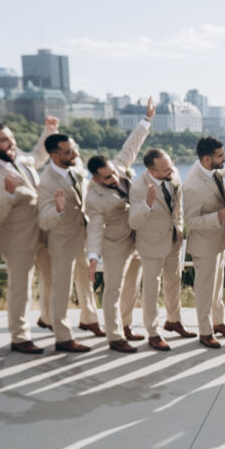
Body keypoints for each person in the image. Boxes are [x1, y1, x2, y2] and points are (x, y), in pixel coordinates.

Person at [0, 116, 57, 354]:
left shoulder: (18, 159)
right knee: (21, 289)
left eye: (11, 137)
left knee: (53, 279)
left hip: (43, 234)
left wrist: (49, 131)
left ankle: (50, 320)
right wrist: (8, 194)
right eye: (5, 140)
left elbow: (38, 156)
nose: (12, 142)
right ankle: (20, 337)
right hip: (17, 241)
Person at [84, 98, 153, 352]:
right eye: (107, 177)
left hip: (136, 239)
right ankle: (114, 337)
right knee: (113, 290)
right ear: (95, 179)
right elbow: (94, 227)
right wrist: (93, 256)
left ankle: (126, 325)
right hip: (114, 245)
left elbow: (131, 146)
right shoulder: (94, 198)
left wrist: (147, 119)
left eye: (113, 173)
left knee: (132, 286)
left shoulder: (119, 167)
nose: (114, 178)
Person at [36, 132, 99, 352]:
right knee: (61, 289)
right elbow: (43, 220)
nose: (76, 154)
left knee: (86, 280)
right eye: (69, 151)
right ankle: (63, 337)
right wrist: (58, 210)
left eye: (75, 148)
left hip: (81, 235)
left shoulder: (74, 169)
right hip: (61, 241)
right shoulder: (46, 182)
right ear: (54, 156)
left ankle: (89, 319)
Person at [182, 136, 225, 348]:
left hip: (218, 239)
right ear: (207, 159)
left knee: (217, 287)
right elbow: (191, 221)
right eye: (220, 156)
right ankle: (205, 332)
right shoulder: (192, 185)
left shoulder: (213, 171)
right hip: (204, 245)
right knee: (205, 290)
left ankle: (218, 322)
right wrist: (218, 217)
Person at [129, 147, 186, 351]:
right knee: (152, 288)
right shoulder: (138, 187)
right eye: (165, 170)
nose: (171, 171)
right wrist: (147, 204)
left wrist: (179, 226)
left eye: (171, 166)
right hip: (151, 243)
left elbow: (177, 205)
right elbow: (133, 222)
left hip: (173, 239)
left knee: (174, 281)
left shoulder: (173, 173)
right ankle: (153, 333)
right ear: (151, 171)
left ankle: (174, 320)